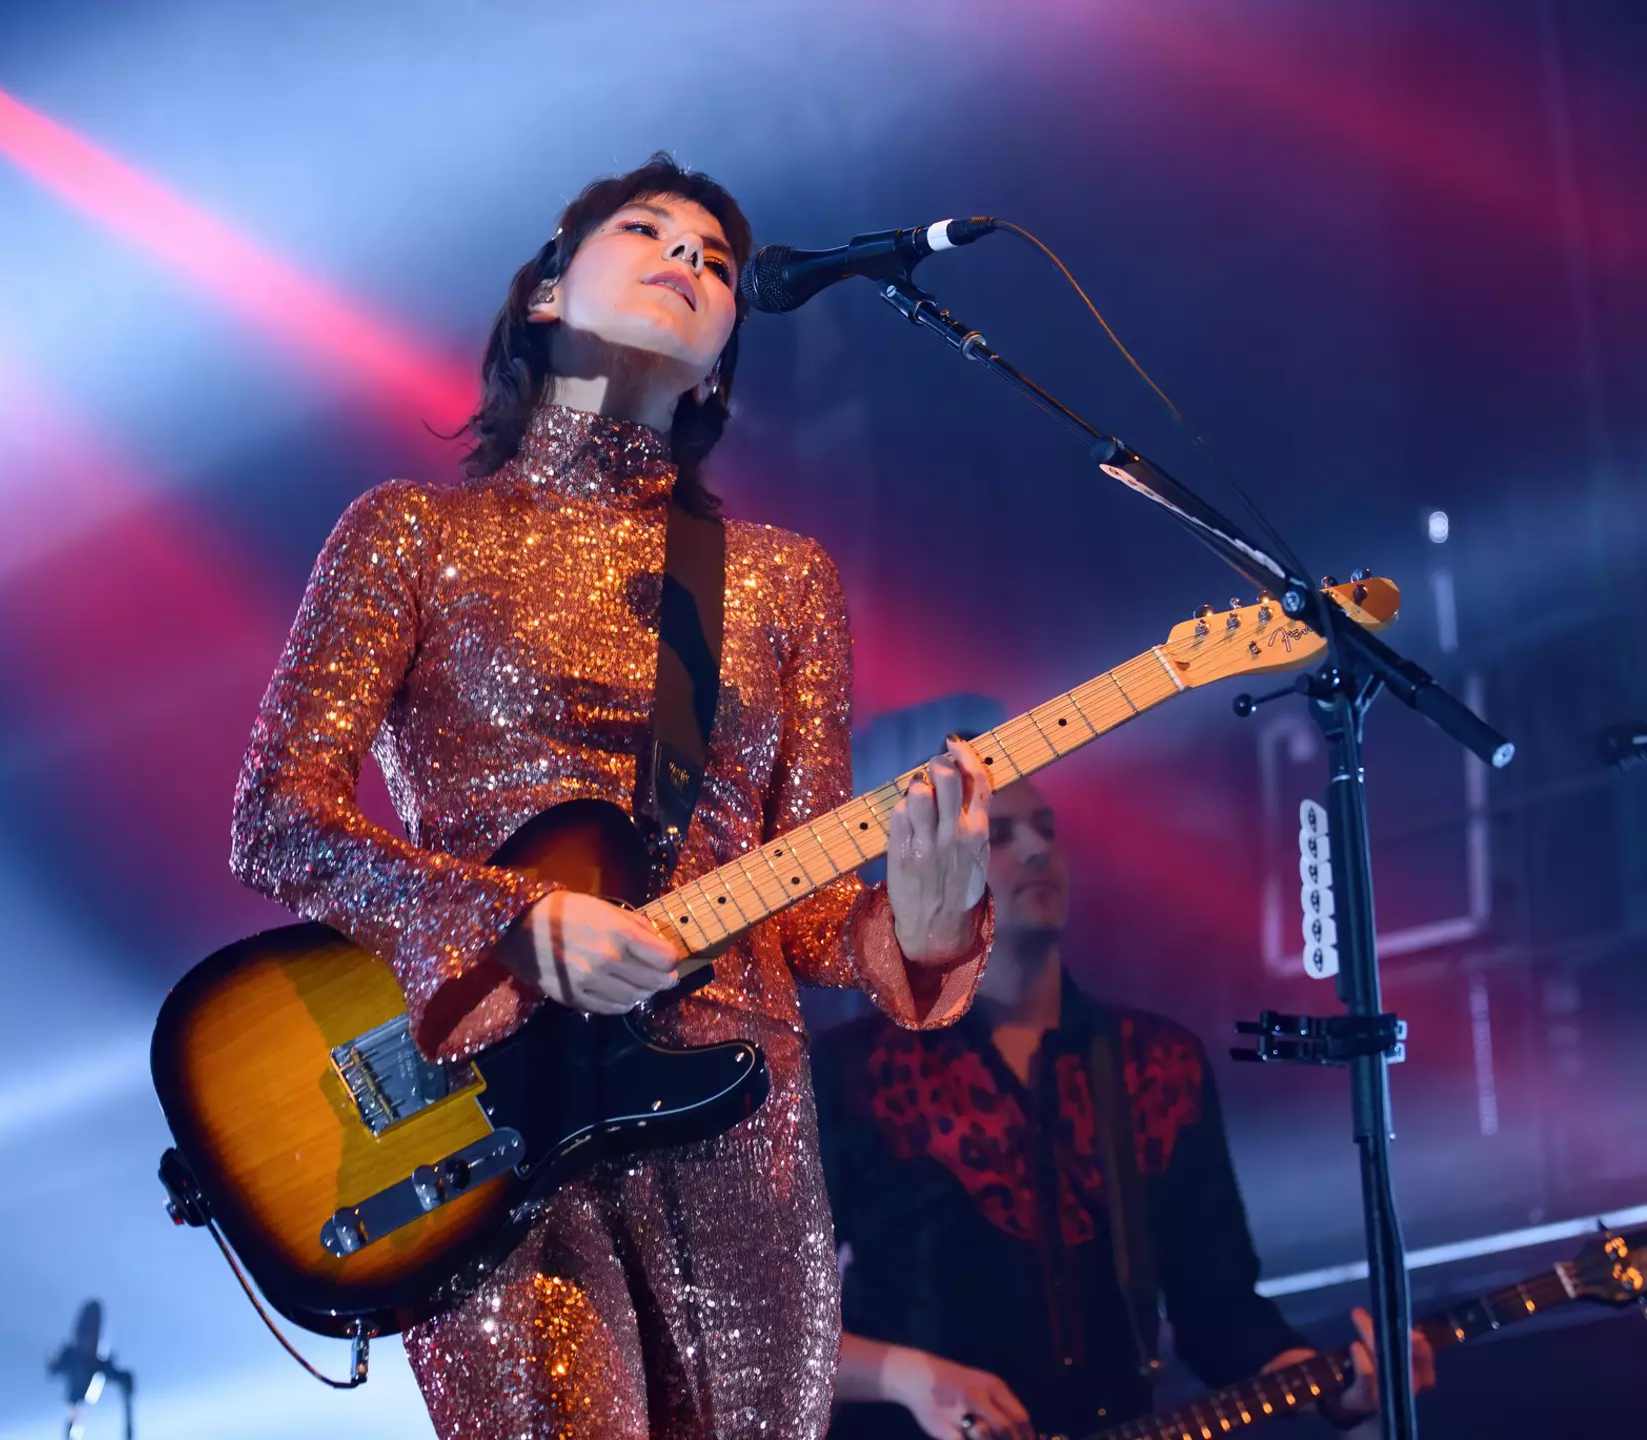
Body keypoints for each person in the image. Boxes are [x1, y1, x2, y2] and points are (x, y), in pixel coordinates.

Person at [229, 153, 996, 1439]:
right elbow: (277, 817)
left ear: (722, 364)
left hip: (742, 1129)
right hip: (491, 1117)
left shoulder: (778, 581)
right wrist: (516, 924)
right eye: (647, 232)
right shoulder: (410, 533)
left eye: (713, 260)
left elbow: (807, 917)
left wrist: (921, 927)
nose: (687, 260)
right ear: (544, 291)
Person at [814, 775, 1437, 1440]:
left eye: (1047, 830)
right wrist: (909, 1377)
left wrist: (1338, 1387)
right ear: (925, 867)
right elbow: (772, 1322)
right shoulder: (853, 1067)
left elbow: (1217, 1310)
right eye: (997, 836)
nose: (1035, 851)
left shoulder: (1157, 1062)